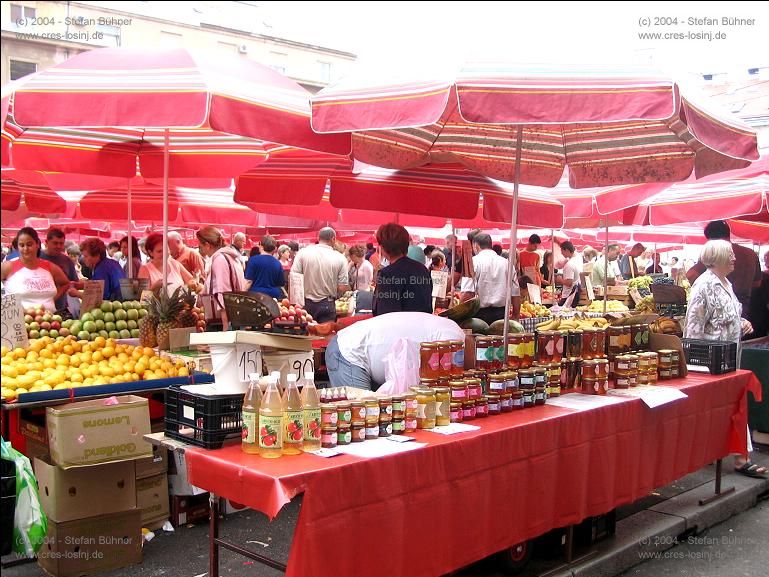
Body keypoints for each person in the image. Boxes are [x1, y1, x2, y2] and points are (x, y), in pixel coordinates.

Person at [684, 240, 765, 479]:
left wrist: (742, 323)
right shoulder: (704, 285)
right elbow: (693, 328)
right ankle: (741, 458)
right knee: (731, 407)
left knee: (733, 407)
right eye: (729, 255)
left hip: (728, 360)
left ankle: (737, 456)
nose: (734, 259)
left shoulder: (725, 284)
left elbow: (727, 317)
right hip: (711, 363)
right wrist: (696, 365)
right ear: (717, 258)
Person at [326, 312, 465, 390]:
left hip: (360, 348)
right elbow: (440, 387)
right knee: (360, 416)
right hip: (349, 351)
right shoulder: (454, 340)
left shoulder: (451, 330)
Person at [686, 220, 761, 323]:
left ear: (711, 239)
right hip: (743, 310)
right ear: (727, 233)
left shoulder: (716, 253)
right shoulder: (751, 254)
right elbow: (757, 283)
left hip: (719, 313)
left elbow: (691, 275)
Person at [1, 227, 71, 312]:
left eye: (29, 244)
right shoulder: (8, 266)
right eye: (21, 245)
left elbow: (66, 283)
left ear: (37, 244)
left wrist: (52, 299)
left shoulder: (50, 267)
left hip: (50, 321)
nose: (25, 249)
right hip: (19, 323)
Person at [291, 227, 349, 323]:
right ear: (333, 239)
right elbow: (342, 287)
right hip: (327, 303)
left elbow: (294, 278)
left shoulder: (303, 253)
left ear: (318, 238)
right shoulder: (340, 258)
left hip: (305, 303)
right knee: (326, 335)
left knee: (306, 334)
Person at [372, 223, 433, 316]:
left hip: (400, 328)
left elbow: (385, 315)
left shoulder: (387, 275)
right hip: (424, 327)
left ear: (383, 247)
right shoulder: (423, 270)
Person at [461, 233, 519, 324]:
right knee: (500, 338)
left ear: (475, 246)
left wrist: (460, 316)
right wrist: (516, 314)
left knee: (480, 338)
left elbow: (468, 293)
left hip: (478, 314)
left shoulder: (473, 262)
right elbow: (515, 292)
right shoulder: (507, 263)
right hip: (502, 313)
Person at [197, 226, 247, 328]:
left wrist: (225, 327)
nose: (200, 249)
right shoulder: (230, 256)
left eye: (200, 246)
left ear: (207, 245)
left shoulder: (220, 260)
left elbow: (223, 292)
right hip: (235, 316)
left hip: (222, 321)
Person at [40, 228, 80, 312]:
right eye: (55, 243)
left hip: (60, 308)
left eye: (61, 243)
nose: (58, 246)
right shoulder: (37, 257)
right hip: (39, 308)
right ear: (46, 242)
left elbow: (74, 282)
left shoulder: (67, 261)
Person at [557, 241, 583, 307]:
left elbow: (569, 283)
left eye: (562, 251)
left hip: (568, 296)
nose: (562, 254)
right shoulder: (578, 258)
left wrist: (560, 280)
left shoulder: (569, 265)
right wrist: (557, 241)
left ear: (567, 250)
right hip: (576, 293)